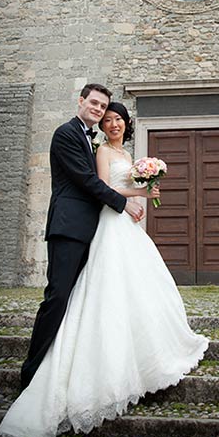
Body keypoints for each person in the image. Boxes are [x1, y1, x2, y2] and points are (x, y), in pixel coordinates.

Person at [0, 101, 209, 437]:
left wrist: (145, 186)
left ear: (126, 123)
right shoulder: (99, 151)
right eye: (106, 118)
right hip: (110, 222)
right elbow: (99, 185)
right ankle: (50, 371)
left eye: (117, 119)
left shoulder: (125, 152)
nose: (112, 124)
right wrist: (138, 192)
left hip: (126, 224)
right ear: (90, 112)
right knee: (101, 288)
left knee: (141, 285)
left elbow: (118, 185)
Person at [19, 84, 144, 391]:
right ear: (81, 101)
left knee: (81, 300)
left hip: (91, 229)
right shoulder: (66, 134)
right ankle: (32, 372)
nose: (99, 110)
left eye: (103, 107)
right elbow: (87, 181)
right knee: (59, 296)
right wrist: (124, 202)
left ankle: (68, 364)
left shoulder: (92, 139)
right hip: (69, 227)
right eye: (95, 104)